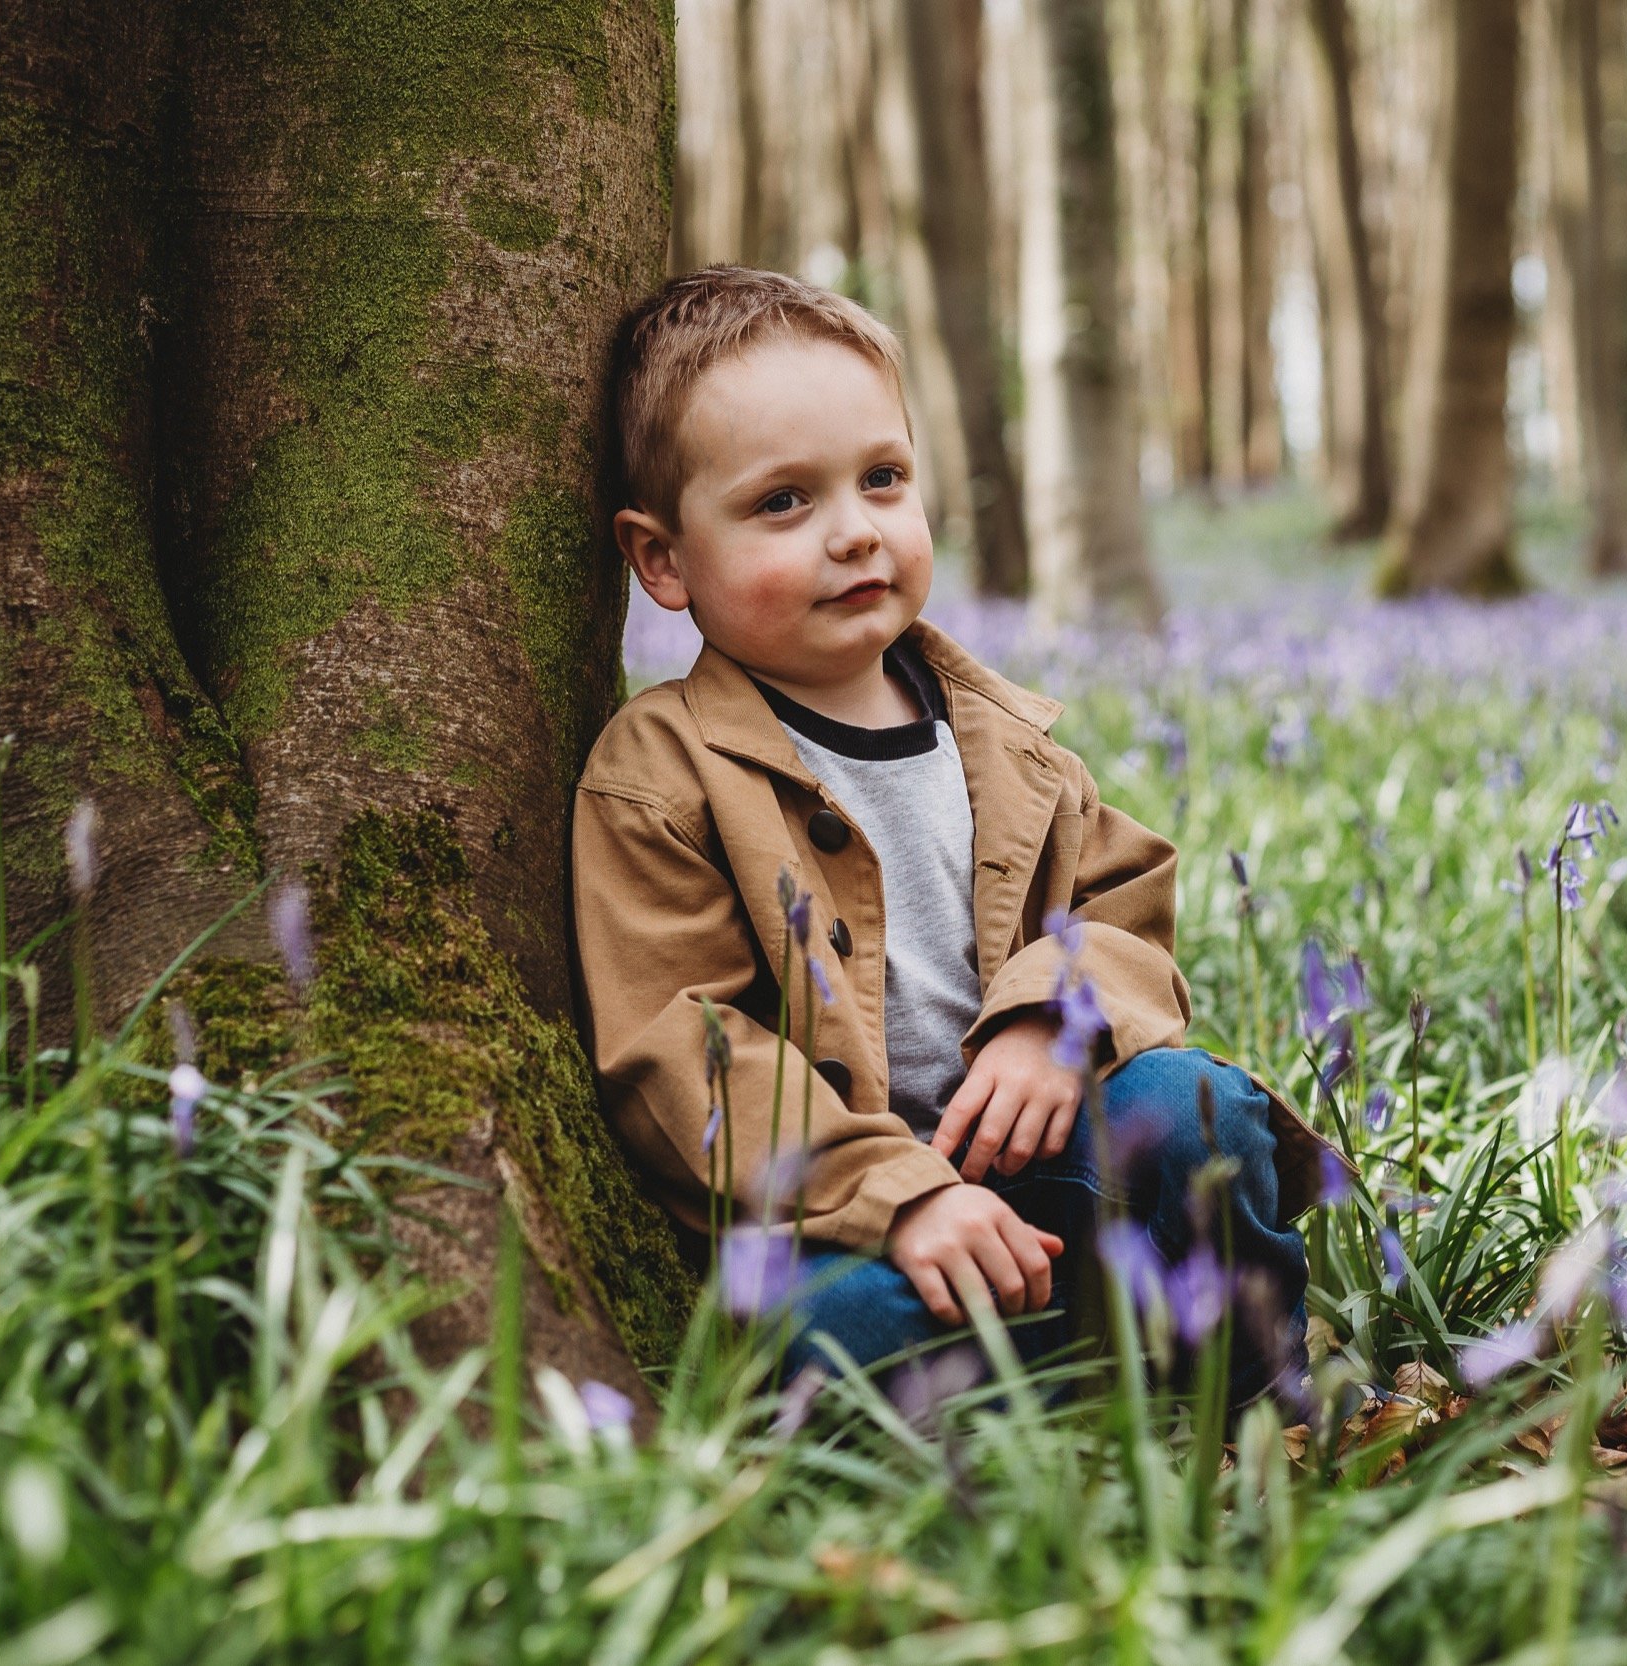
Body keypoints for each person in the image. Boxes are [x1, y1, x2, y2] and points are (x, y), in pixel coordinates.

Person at [571, 266, 1339, 1404]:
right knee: (827, 1340)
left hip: (1052, 1165)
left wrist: (1049, 1022)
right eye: (784, 502)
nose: (854, 533)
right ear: (664, 559)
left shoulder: (1003, 740)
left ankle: (1252, 1374)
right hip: (846, 1224)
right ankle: (1100, 1365)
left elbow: (1123, 907)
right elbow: (684, 1050)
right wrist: (901, 1194)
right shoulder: (659, 776)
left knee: (1198, 1112)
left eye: (882, 479)